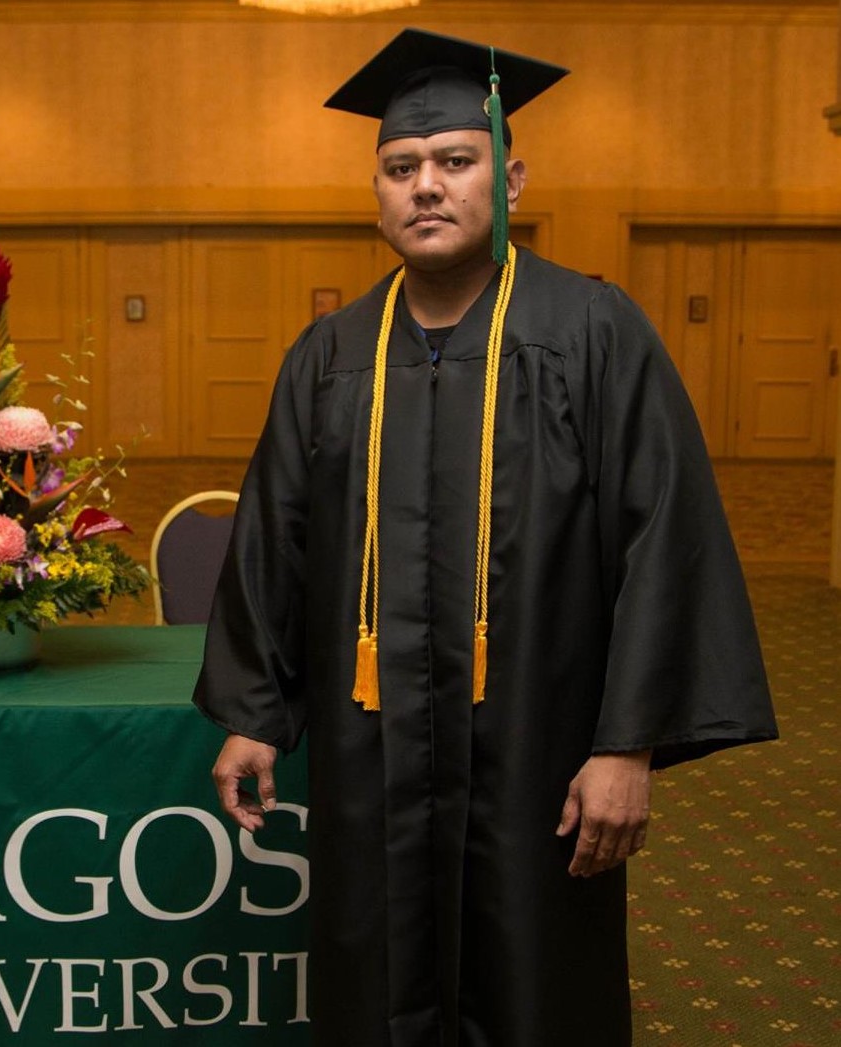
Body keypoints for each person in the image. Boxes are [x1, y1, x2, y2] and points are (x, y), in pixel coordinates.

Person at [193, 27, 777, 1047]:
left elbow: (665, 538)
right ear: (374, 190)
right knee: (371, 977)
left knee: (535, 984)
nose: (426, 186)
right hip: (368, 751)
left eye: (455, 163)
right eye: (400, 166)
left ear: (507, 178)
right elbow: (272, 538)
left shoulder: (592, 332)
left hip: (539, 756)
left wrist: (624, 744)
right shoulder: (330, 356)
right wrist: (252, 710)